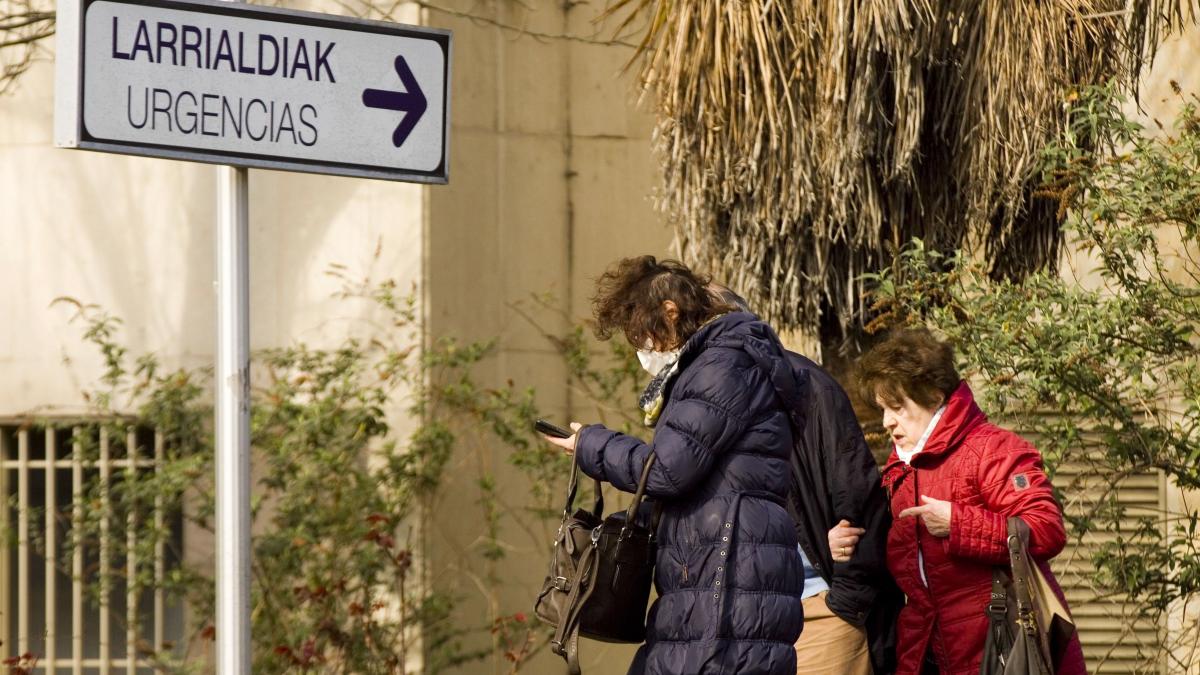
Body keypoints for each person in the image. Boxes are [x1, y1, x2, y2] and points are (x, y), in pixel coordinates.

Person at [541, 256, 804, 675]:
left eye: (642, 333)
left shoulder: (722, 365)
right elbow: (701, 479)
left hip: (727, 578)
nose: (642, 348)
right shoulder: (716, 363)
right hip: (717, 570)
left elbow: (667, 470)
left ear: (670, 312)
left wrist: (592, 444)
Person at [844, 328, 1086, 675]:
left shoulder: (994, 449)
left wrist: (958, 522)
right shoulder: (900, 472)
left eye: (896, 407)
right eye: (883, 409)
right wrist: (847, 542)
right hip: (928, 653)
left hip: (1002, 650)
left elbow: (1046, 530)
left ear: (933, 396)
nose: (886, 422)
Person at [708, 285, 901, 675]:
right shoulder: (696, 407)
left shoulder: (804, 386)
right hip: (736, 626)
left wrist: (844, 602)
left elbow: (858, 495)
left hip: (817, 611)